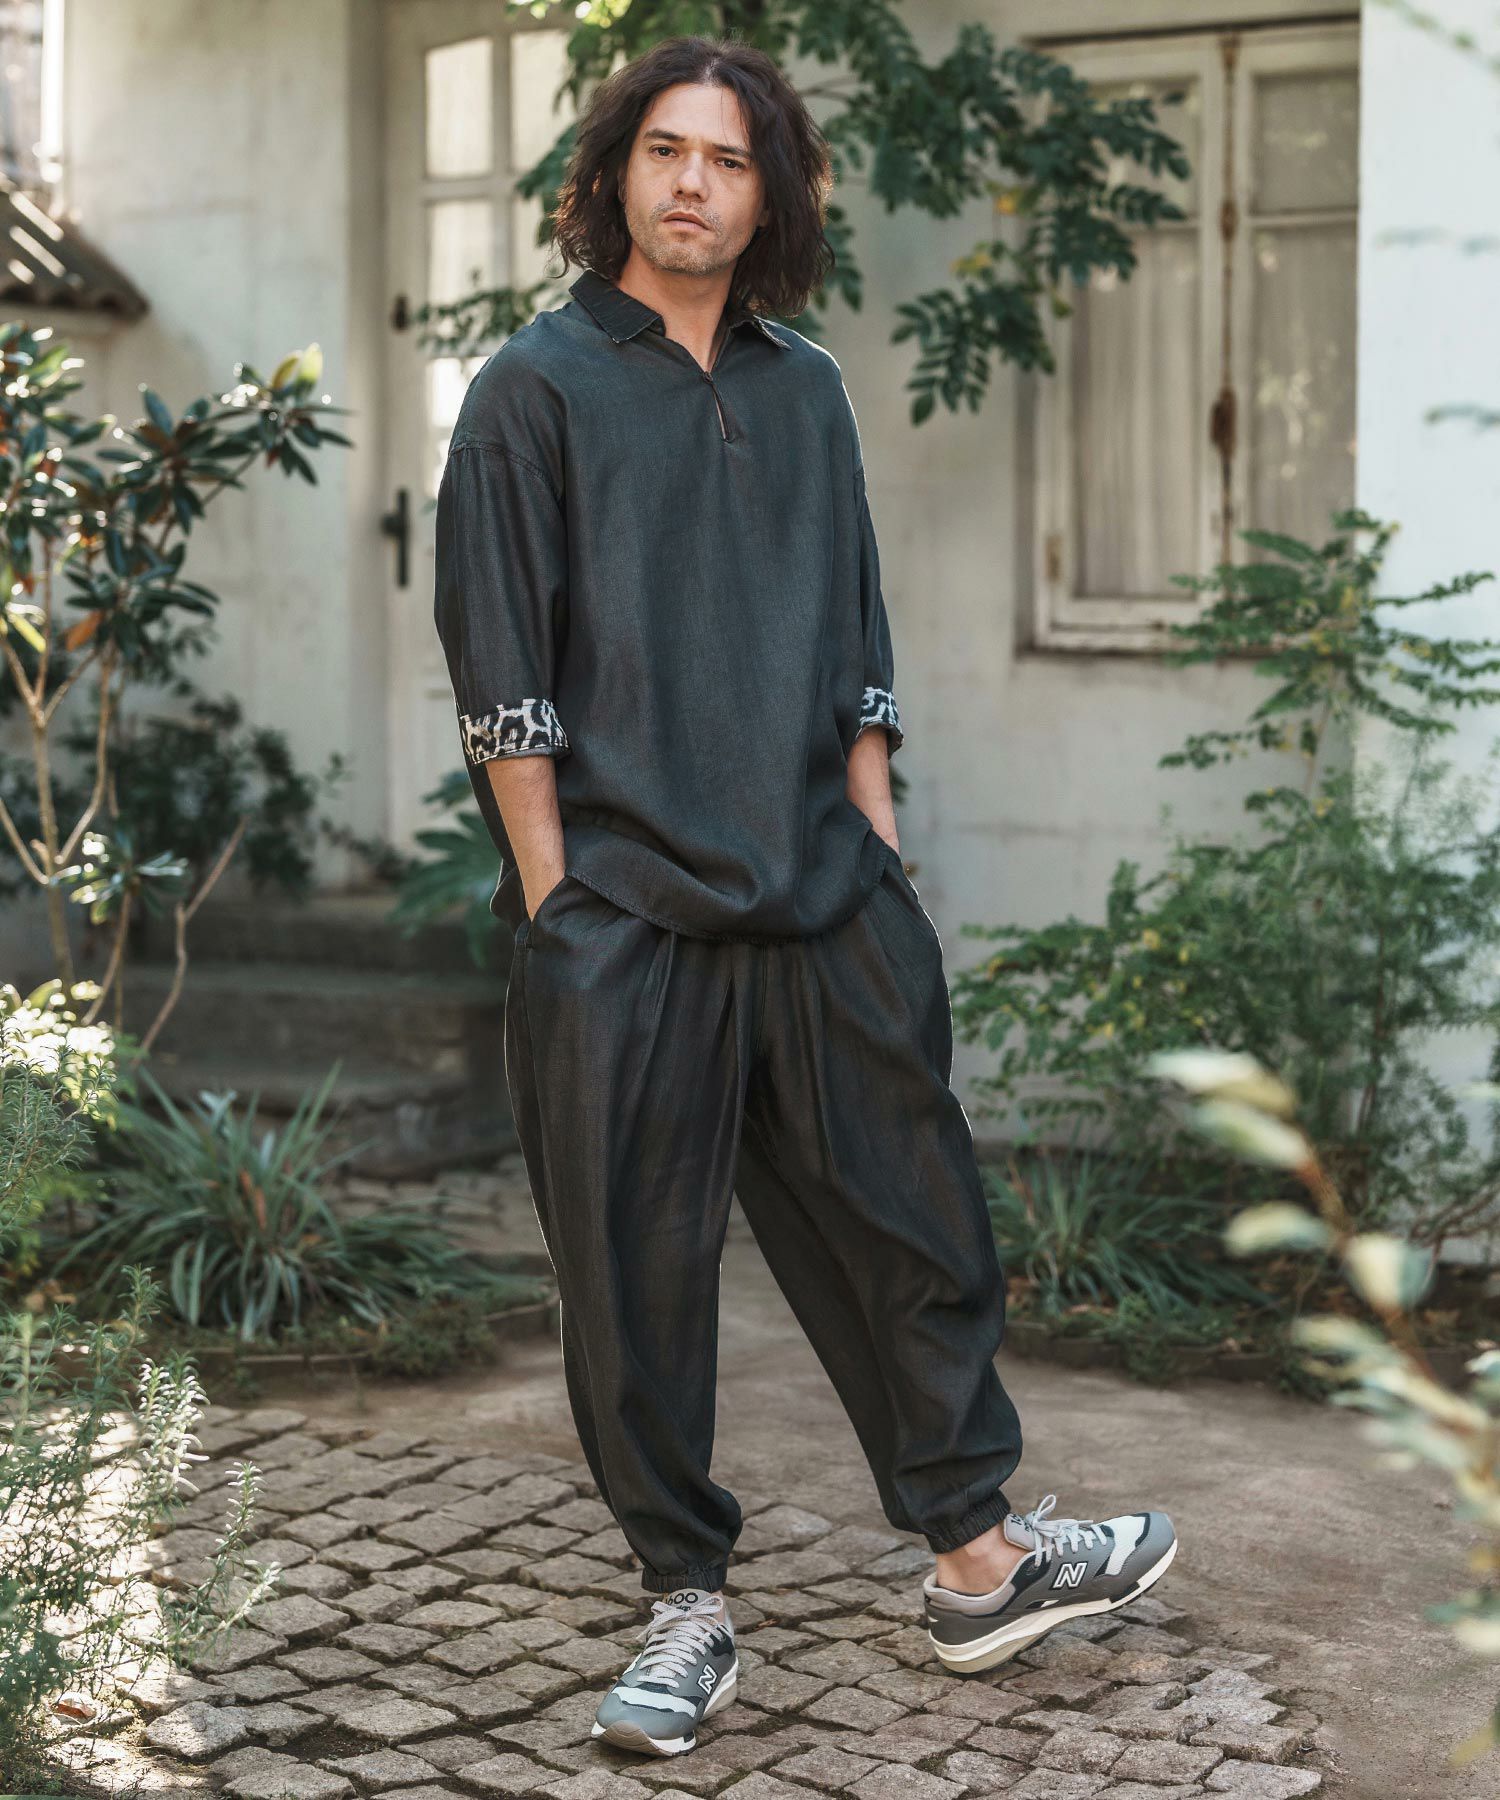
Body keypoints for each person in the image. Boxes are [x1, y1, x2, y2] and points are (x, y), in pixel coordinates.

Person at [433, 32, 1176, 1762]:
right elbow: (502, 673)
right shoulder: (536, 390)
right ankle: (684, 1603)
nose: (693, 183)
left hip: (824, 899)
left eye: (729, 158)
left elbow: (856, 634)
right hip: (625, 914)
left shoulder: (805, 388)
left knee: (909, 1221)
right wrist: (557, 900)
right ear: (615, 171)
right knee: (634, 1275)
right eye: (665, 150)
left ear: (770, 195)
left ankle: (979, 1560)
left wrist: (877, 839)